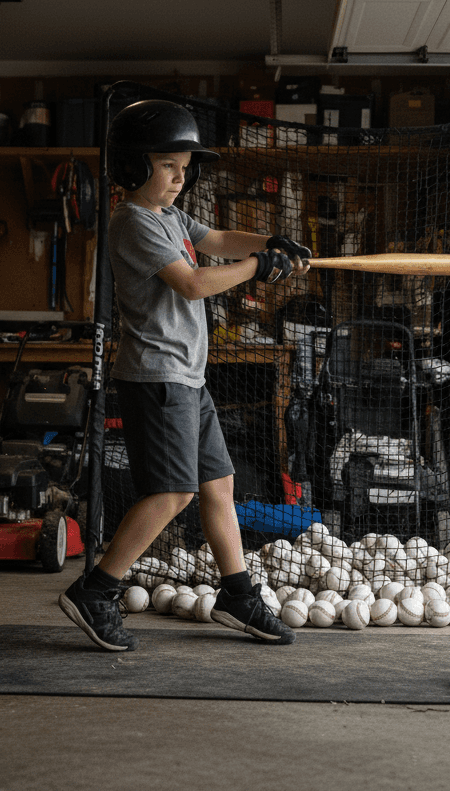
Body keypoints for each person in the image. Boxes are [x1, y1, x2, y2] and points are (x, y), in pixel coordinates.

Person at [59, 99, 311, 652]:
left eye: (184, 166)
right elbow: (193, 282)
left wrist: (270, 244)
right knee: (173, 491)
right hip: (157, 378)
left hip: (188, 380)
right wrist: (257, 271)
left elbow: (215, 239)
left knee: (218, 484)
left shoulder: (173, 217)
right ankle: (96, 591)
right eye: (168, 165)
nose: (181, 176)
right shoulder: (132, 222)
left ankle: (238, 595)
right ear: (133, 167)